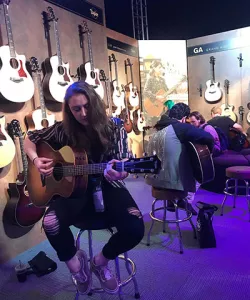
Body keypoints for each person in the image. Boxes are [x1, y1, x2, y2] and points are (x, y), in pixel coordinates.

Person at [24, 81, 144, 295]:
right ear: (69, 110)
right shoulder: (62, 131)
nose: (83, 113)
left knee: (135, 227)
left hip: (108, 187)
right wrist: (35, 160)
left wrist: (122, 171)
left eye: (87, 106)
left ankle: (100, 262)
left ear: (95, 104)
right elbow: (30, 139)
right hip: (73, 192)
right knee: (51, 223)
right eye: (76, 109)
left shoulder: (114, 127)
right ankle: (77, 268)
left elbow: (125, 163)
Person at [146, 103, 214, 216]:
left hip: (153, 181)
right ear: (183, 118)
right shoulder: (180, 128)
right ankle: (185, 200)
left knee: (175, 155)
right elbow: (208, 137)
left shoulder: (158, 128)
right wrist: (208, 154)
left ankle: (172, 202)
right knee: (197, 173)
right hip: (170, 183)